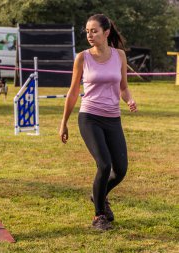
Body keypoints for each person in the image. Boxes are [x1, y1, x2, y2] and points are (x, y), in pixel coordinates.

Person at [59, 14, 137, 231]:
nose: (89, 35)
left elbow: (123, 87)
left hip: (113, 118)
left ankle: (98, 195)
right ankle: (99, 216)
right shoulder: (82, 57)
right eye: (87, 31)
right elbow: (74, 91)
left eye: (94, 31)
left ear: (106, 32)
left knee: (120, 170)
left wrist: (129, 99)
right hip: (90, 117)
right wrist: (63, 122)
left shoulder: (119, 55)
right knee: (104, 164)